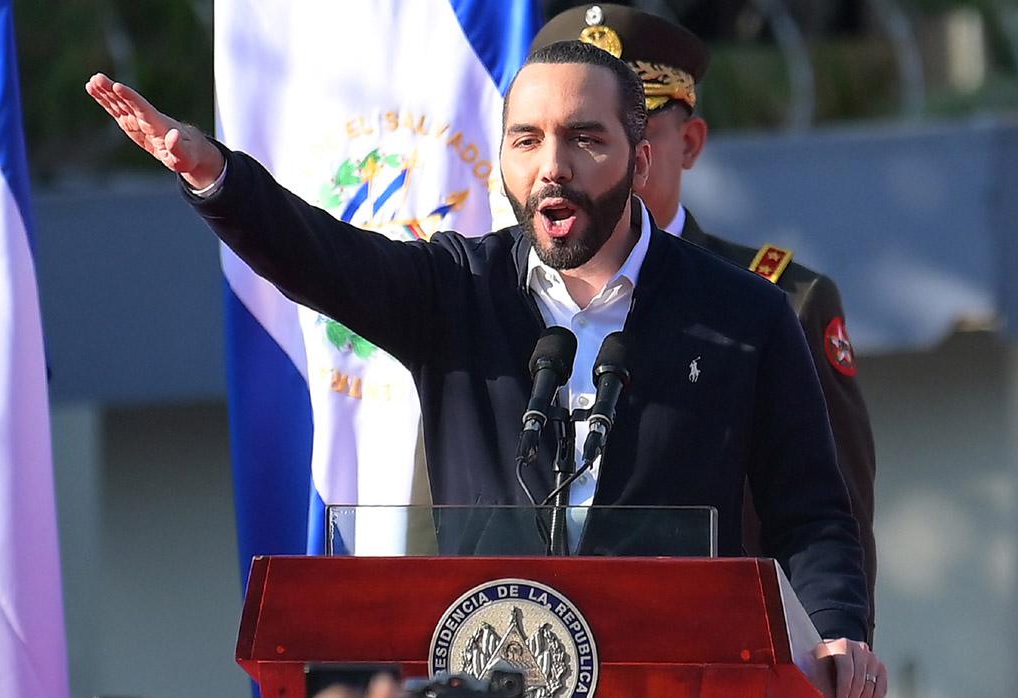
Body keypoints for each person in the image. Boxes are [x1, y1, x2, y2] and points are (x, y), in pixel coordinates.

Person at [87, 37, 886, 698]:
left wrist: (840, 629)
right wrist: (214, 177)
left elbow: (813, 513)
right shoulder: (456, 288)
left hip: (676, 679)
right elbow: (322, 257)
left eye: (585, 138)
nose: (552, 166)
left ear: (640, 161)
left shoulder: (745, 314)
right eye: (527, 139)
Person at [532, 4, 879, 643]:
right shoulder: (516, 287)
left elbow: (832, 522)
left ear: (685, 144)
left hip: (717, 654)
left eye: (626, 132)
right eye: (574, 134)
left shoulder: (778, 302)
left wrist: (836, 652)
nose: (591, 161)